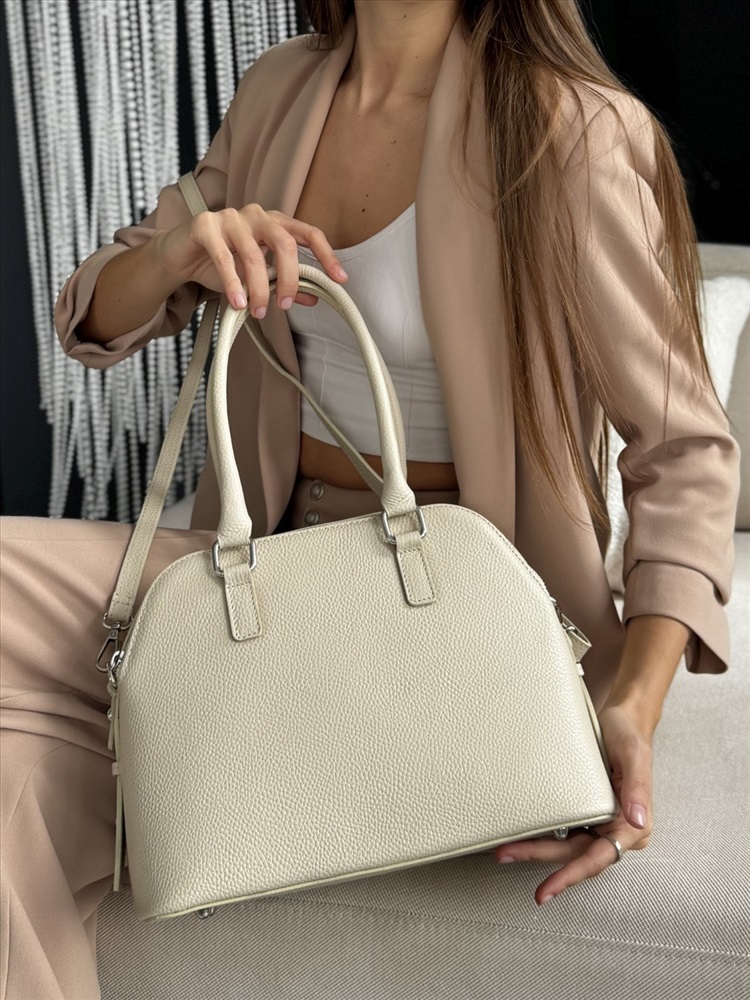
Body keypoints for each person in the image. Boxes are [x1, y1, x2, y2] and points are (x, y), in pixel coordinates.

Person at [0, 1, 739, 997]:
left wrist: (632, 707)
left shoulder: (568, 129)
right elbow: (92, 313)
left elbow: (684, 447)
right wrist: (175, 256)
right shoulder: (282, 91)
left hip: (452, 616)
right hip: (261, 580)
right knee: (13, 789)